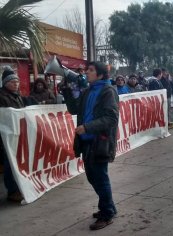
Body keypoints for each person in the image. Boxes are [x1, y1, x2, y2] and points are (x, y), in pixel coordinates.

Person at [61, 61, 119, 231]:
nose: (87, 72)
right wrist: (66, 91)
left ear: (100, 74)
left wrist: (87, 127)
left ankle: (106, 214)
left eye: (91, 70)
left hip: (99, 140)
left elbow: (111, 118)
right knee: (93, 177)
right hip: (86, 140)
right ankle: (109, 207)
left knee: (100, 178)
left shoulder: (108, 91)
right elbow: (74, 110)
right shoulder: (88, 91)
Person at [0, 66, 25, 202]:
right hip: (6, 135)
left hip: (17, 132)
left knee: (17, 162)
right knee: (10, 163)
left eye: (17, 81)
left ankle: (17, 188)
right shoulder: (1, 96)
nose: (15, 84)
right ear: (5, 83)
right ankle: (12, 191)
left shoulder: (17, 95)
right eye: (12, 82)